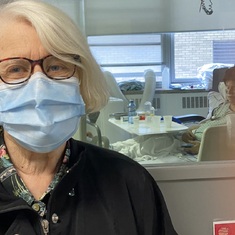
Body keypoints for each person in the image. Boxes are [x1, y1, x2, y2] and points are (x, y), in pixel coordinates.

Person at [0, 0, 178, 234]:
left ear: (82, 78)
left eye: (56, 66)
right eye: (15, 69)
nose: (39, 88)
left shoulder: (129, 182)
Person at [182, 66, 235, 154]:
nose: (229, 92)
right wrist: (189, 131)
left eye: (234, 88)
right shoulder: (224, 106)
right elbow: (209, 122)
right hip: (191, 143)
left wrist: (204, 148)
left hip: (210, 156)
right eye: (227, 87)